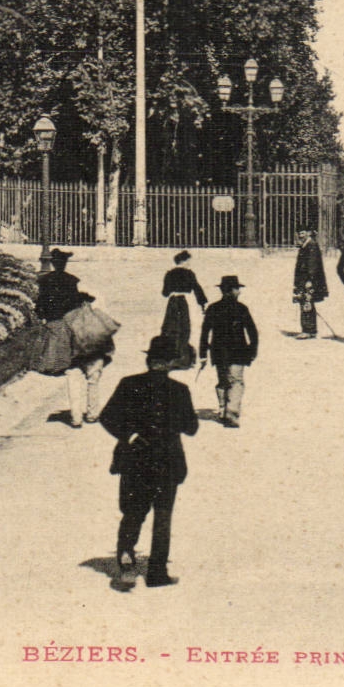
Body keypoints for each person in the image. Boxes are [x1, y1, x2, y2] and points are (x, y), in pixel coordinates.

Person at [98, 334, 198, 589]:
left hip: (136, 457)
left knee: (133, 510)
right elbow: (191, 428)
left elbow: (107, 416)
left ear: (149, 360)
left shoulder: (128, 384)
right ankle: (157, 572)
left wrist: (129, 434)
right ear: (171, 363)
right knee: (163, 516)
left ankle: (127, 556)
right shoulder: (179, 390)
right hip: (168, 460)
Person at [33, 249, 109, 428]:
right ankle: (92, 413)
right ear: (64, 263)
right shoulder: (71, 281)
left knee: (72, 373)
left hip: (58, 332)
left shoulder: (44, 281)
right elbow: (75, 303)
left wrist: (47, 318)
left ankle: (76, 418)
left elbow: (40, 307)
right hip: (74, 328)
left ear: (52, 263)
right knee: (91, 374)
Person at [199, 275, 258, 428]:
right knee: (236, 381)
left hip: (219, 352)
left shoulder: (213, 308)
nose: (239, 292)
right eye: (237, 289)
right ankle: (231, 414)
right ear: (232, 290)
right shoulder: (241, 308)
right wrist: (253, 349)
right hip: (238, 352)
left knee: (224, 381)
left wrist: (203, 354)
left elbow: (205, 333)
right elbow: (252, 332)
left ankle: (224, 410)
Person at [159, 250, 208, 351]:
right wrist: (202, 304)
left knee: (170, 324)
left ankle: (168, 349)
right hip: (186, 301)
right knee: (185, 325)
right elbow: (197, 288)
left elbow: (165, 293)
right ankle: (183, 350)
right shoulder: (189, 273)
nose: (189, 263)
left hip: (172, 301)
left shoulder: (169, 273)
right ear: (183, 261)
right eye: (188, 261)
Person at [291, 227, 328, 339]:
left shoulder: (311, 245)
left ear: (308, 233)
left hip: (308, 280)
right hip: (305, 279)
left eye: (302, 233)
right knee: (307, 303)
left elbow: (312, 265)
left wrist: (309, 280)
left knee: (306, 302)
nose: (300, 236)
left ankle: (307, 330)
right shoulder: (306, 245)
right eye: (299, 233)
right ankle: (311, 329)